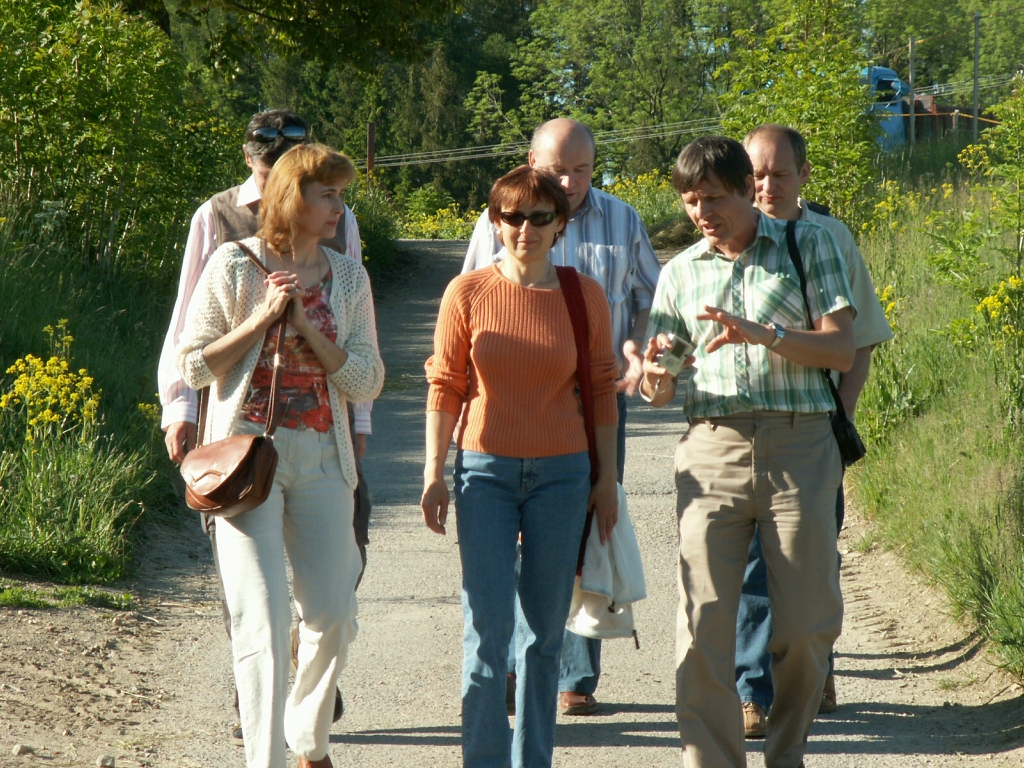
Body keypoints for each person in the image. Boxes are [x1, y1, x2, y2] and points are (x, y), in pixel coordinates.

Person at [641, 135, 855, 768]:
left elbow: (841, 350)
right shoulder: (681, 272)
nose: (701, 212)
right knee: (703, 622)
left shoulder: (807, 245)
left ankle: (786, 752)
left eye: (712, 198)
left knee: (806, 624)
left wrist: (769, 334)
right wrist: (652, 375)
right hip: (711, 449)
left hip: (800, 444)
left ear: (744, 188)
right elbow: (665, 376)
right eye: (689, 202)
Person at [157, 109, 369, 741]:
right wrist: (261, 321)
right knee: (262, 621)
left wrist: (306, 328)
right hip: (246, 459)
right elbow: (192, 361)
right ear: (291, 197)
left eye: (339, 196)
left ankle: (306, 733)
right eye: (328, 196)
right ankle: (266, 758)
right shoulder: (230, 261)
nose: (339, 209)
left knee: (333, 614)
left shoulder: (348, 275)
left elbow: (367, 377)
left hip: (324, 460)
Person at [462, 117, 661, 715]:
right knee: (515, 538)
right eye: (556, 170)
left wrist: (640, 347)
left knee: (586, 527)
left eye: (581, 170)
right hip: (514, 404)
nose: (569, 182)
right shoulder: (499, 218)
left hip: (597, 401)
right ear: (531, 161)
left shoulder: (622, 219)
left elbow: (655, 297)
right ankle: (515, 663)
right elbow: (470, 300)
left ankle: (576, 672)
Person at [422, 165, 619, 768]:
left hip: (563, 474)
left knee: (543, 635)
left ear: (560, 224)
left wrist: (606, 478)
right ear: (494, 220)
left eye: (540, 217)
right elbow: (445, 385)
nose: (525, 228)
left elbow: (604, 389)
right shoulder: (468, 293)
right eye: (512, 216)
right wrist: (433, 472)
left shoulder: (583, 295)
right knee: (486, 630)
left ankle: (534, 759)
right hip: (484, 471)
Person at [735, 124, 894, 738]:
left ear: (803, 176)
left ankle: (816, 665)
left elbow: (861, 343)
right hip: (748, 434)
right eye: (756, 175)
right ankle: (754, 690)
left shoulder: (831, 238)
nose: (767, 186)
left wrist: (840, 420)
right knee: (752, 562)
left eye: (779, 173)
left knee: (811, 559)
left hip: (815, 431)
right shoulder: (730, 239)